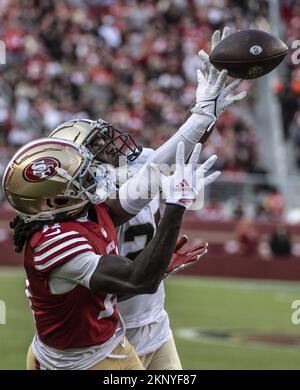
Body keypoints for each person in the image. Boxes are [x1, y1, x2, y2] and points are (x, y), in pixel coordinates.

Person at [49, 27, 247, 369]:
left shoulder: (137, 167)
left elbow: (181, 149)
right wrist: (156, 269)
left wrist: (207, 113)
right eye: (97, 145)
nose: (112, 147)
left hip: (155, 322)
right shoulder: (77, 212)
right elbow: (94, 292)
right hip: (111, 332)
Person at [3, 136, 216, 370]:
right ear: (54, 200)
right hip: (78, 363)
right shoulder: (54, 242)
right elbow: (136, 280)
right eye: (78, 177)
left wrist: (204, 112)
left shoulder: (82, 217)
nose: (89, 178)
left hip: (112, 345)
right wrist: (177, 204)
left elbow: (103, 295)